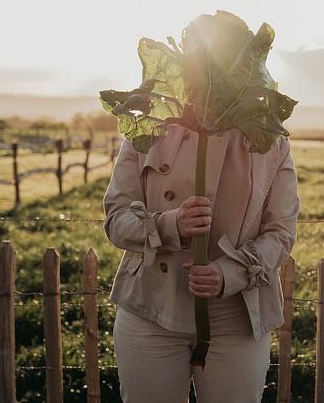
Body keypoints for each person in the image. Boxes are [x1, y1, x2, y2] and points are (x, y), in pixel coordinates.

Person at [103, 124, 299, 403]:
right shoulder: (147, 127)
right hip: (151, 308)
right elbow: (116, 219)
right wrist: (171, 224)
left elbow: (281, 232)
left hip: (236, 318)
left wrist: (229, 273)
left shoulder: (268, 138)